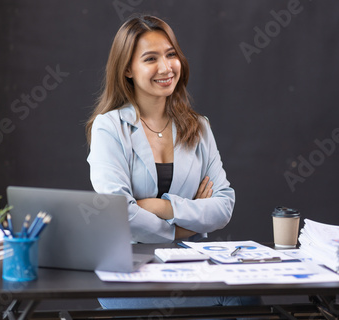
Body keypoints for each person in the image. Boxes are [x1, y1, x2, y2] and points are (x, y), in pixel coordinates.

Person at [85, 14, 260, 314]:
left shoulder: (199, 126)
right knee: (231, 302)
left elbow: (223, 205)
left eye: (171, 55)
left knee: (246, 296)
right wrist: (187, 226)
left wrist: (164, 207)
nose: (166, 68)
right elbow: (119, 214)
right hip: (127, 269)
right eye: (151, 58)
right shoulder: (109, 127)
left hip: (190, 265)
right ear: (127, 68)